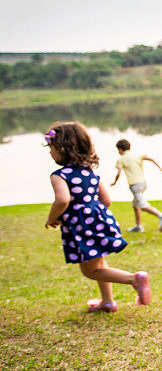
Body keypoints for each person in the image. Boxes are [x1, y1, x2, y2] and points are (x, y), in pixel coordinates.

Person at [44, 121, 152, 312]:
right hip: (99, 221)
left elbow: (62, 200)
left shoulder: (59, 175)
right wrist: (91, 216)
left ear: (63, 148)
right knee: (100, 262)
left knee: (91, 270)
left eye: (51, 148)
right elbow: (106, 200)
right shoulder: (89, 172)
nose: (50, 152)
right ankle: (108, 302)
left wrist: (52, 218)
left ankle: (134, 279)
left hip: (81, 227)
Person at [110, 139, 162, 233]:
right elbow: (152, 160)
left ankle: (161, 215)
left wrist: (114, 183)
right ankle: (138, 226)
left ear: (120, 149)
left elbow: (118, 174)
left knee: (142, 204)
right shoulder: (137, 155)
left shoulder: (121, 159)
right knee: (135, 204)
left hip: (135, 185)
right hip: (143, 183)